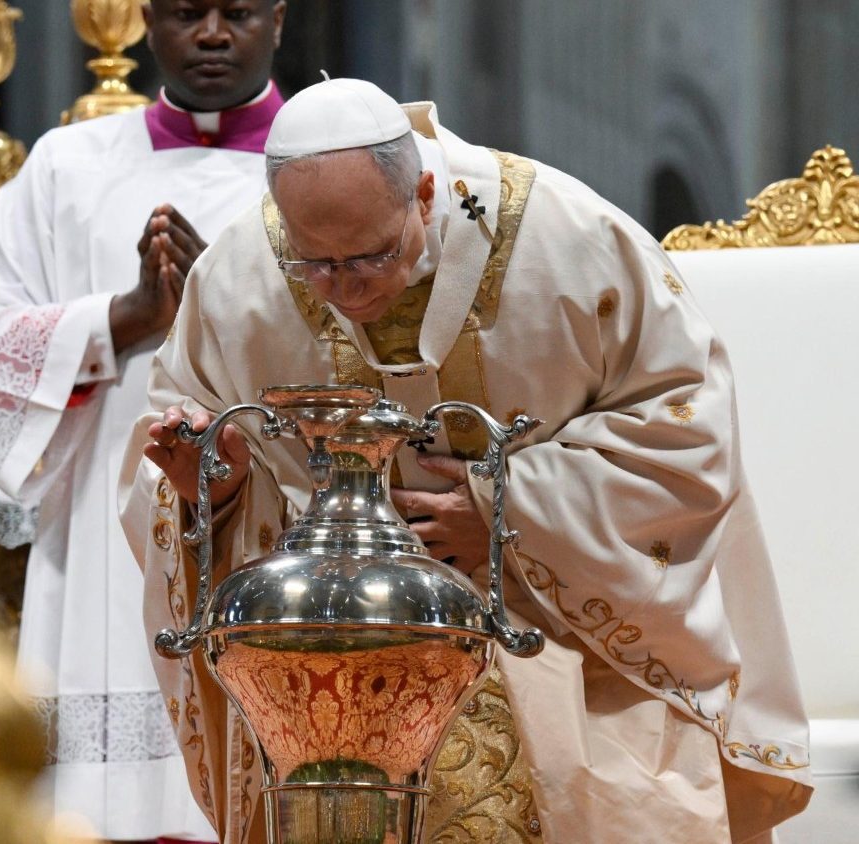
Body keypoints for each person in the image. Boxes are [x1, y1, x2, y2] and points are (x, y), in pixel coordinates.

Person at [119, 79, 813, 843]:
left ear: (422, 194)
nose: (345, 290)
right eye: (314, 265)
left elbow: (686, 430)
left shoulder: (569, 239)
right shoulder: (240, 274)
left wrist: (507, 513)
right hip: (342, 648)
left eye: (369, 258)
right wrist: (210, 485)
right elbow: (179, 442)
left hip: (559, 626)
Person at [0, 1, 287, 840]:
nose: (210, 34)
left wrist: (224, 312)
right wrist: (121, 319)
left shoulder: (327, 162)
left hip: (275, 516)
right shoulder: (69, 166)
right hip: (105, 526)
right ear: (145, 19)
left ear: (277, 15)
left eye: (236, 12)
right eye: (185, 12)